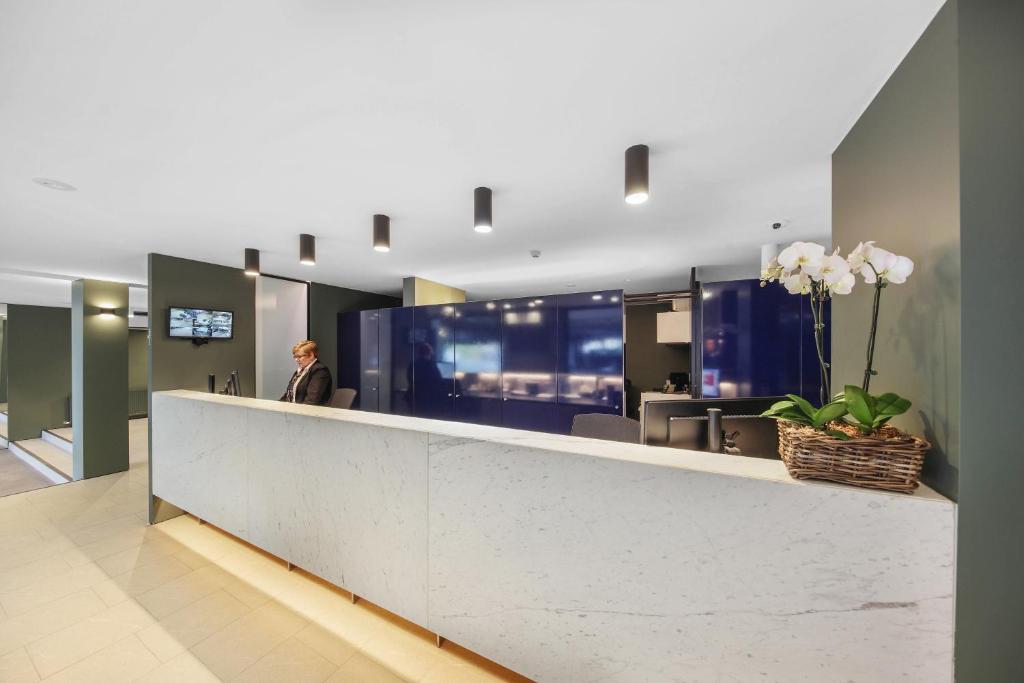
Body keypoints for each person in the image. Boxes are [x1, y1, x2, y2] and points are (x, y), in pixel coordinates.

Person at [280, 340, 333, 406]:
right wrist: (276, 405)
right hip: (293, 411)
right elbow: (288, 395)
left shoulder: (320, 371)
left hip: (310, 414)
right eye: (295, 356)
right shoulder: (300, 371)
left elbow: (312, 400)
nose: (296, 360)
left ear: (311, 355)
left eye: (299, 356)